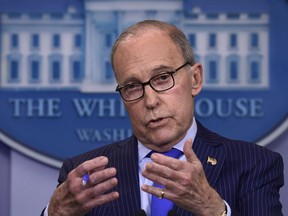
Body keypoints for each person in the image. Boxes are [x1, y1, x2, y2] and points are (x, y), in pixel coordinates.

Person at [41, 20, 284, 216]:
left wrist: (214, 211)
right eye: (133, 86)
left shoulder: (253, 165)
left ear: (195, 79)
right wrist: (54, 214)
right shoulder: (86, 176)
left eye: (162, 78)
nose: (150, 100)